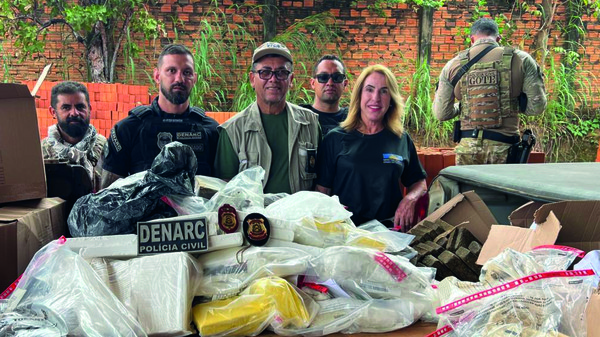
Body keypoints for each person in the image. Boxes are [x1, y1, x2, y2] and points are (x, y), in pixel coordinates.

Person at [316, 64, 427, 231]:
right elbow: (321, 192)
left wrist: (409, 199)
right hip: (346, 233)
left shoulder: (400, 139)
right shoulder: (335, 138)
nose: (376, 98)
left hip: (389, 233)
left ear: (391, 99)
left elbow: (419, 182)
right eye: (369, 89)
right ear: (359, 95)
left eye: (384, 91)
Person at [101, 44, 219, 189]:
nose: (179, 79)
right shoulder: (128, 129)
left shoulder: (211, 131)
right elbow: (107, 196)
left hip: (198, 212)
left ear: (194, 79)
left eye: (187, 72)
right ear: (157, 76)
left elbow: (222, 192)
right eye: (171, 71)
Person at [433, 17, 547, 165]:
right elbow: (536, 108)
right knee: (500, 189)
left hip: (468, 149)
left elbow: (441, 113)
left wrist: (465, 106)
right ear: (498, 38)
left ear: (472, 39)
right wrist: (506, 103)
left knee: (469, 189)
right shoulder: (521, 59)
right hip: (505, 148)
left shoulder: (452, 65)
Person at [215, 41, 321, 194]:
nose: (273, 79)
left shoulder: (310, 123)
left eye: (281, 72)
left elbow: (322, 182)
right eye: (265, 72)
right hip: (253, 216)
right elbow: (224, 190)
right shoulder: (232, 130)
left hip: (300, 216)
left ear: (290, 80)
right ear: (252, 79)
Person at [42, 81, 107, 191]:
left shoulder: (106, 149)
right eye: (66, 107)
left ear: (89, 109)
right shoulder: (41, 153)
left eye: (80, 107)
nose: (74, 113)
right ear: (53, 112)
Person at [300, 54, 349, 134]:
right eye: (323, 77)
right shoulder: (299, 117)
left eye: (337, 77)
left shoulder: (353, 120)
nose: (330, 83)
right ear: (312, 83)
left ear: (345, 84)